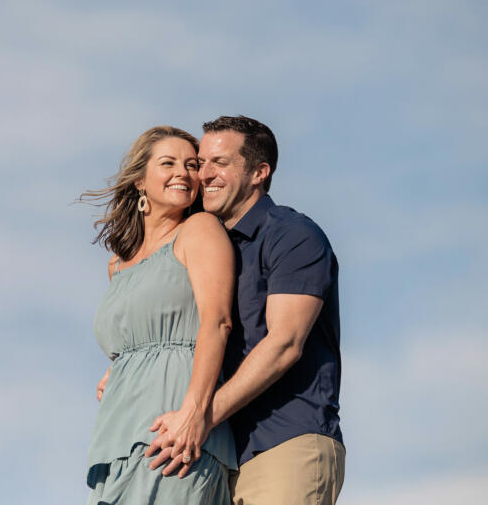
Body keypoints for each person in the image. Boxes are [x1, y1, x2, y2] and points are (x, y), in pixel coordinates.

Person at [145, 116, 344, 505]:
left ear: (259, 172)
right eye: (201, 162)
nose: (204, 174)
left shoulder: (292, 234)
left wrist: (200, 417)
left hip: (284, 444)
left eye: (220, 162)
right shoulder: (207, 247)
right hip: (217, 454)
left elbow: (284, 344)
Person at [83, 125, 238, 504]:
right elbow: (139, 328)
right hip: (119, 430)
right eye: (168, 163)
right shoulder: (117, 265)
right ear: (140, 179)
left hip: (176, 427)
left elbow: (217, 322)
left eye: (191, 165)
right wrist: (120, 365)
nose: (182, 173)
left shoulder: (199, 229)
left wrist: (194, 414)